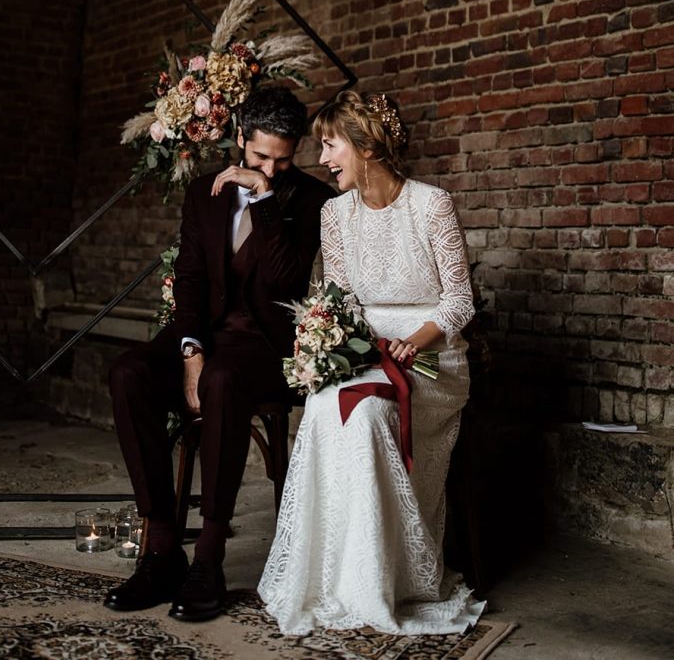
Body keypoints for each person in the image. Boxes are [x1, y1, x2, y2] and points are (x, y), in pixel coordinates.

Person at [258, 89, 485, 635]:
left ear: (364, 146)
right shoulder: (334, 214)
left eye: (330, 145)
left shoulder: (432, 204)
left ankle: (390, 578)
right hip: (364, 351)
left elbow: (459, 300)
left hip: (433, 358)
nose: (323, 159)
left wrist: (418, 339)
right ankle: (337, 578)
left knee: (363, 419)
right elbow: (338, 299)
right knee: (322, 409)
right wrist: (333, 344)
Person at [106, 85, 334, 623]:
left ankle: (209, 558)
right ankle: (162, 549)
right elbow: (187, 277)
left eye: (283, 159)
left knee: (223, 380)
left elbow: (283, 279)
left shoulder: (313, 200)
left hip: (264, 348)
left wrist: (266, 199)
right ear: (239, 139)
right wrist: (189, 350)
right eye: (259, 158)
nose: (271, 169)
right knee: (129, 373)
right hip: (204, 335)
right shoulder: (202, 193)